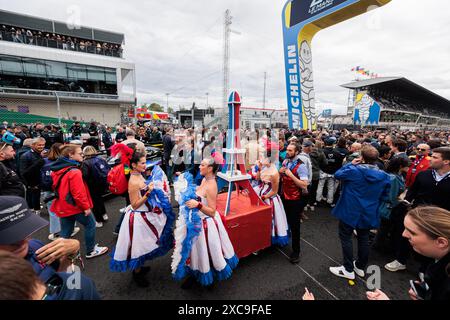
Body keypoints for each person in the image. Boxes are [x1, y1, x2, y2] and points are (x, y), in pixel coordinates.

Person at [0, 196, 101, 300]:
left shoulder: (35, 247)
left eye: (25, 229)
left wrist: (71, 254)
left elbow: (62, 274)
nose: (22, 242)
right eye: (9, 236)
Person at [110, 152, 173, 287]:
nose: (146, 165)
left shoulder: (138, 175)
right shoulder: (133, 181)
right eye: (143, 163)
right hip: (138, 218)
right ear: (134, 165)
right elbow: (134, 204)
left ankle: (139, 268)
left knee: (144, 244)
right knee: (137, 247)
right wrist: (149, 192)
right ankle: (137, 273)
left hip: (145, 215)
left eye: (145, 162)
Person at [329, 146, 391, 280]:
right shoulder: (385, 176)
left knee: (346, 237)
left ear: (362, 157)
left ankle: (348, 268)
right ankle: (360, 266)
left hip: (349, 210)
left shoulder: (353, 170)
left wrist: (350, 164)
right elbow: (385, 196)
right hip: (369, 211)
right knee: (363, 239)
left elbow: (337, 175)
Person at [368, 207, 450, 301]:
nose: (404, 234)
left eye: (412, 232)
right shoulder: (439, 260)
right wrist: (428, 292)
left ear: (441, 243)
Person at [180, 158, 238, 288]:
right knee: (196, 251)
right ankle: (196, 273)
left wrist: (198, 204)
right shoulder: (205, 179)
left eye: (202, 165)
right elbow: (198, 193)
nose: (199, 166)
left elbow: (212, 212)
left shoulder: (212, 185)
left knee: (205, 251)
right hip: (196, 221)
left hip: (206, 224)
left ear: (210, 168)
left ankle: (207, 276)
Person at [50, 144, 108, 259]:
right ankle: (91, 251)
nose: (83, 155)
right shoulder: (74, 171)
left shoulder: (57, 169)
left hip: (63, 204)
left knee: (66, 231)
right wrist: (86, 207)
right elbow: (78, 193)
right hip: (75, 206)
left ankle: (59, 254)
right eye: (80, 153)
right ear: (71, 155)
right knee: (90, 224)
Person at [41, 143, 80, 241]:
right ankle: (70, 228)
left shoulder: (44, 161)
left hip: (49, 190)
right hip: (63, 190)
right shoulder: (64, 163)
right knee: (69, 209)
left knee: (53, 212)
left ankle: (56, 233)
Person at [280, 143, 309, 264]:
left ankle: (296, 252)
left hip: (295, 200)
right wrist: (280, 172)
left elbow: (304, 185)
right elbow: (282, 177)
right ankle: (284, 239)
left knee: (295, 226)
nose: (288, 152)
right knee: (284, 220)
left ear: (297, 152)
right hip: (284, 196)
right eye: (287, 150)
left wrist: (291, 175)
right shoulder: (286, 161)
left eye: (290, 150)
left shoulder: (301, 166)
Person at [254, 155, 289, 247]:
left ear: (269, 160)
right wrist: (259, 168)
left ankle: (271, 237)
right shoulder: (265, 168)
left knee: (271, 217)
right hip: (262, 191)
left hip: (270, 197)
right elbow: (257, 178)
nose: (261, 159)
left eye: (263, 158)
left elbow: (275, 191)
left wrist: (265, 197)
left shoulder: (274, 173)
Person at [81, 146, 111, 227]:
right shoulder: (101, 159)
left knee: (94, 203)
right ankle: (104, 214)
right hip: (103, 183)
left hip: (92, 185)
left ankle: (98, 220)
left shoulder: (85, 163)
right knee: (100, 199)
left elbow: (85, 175)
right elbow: (109, 169)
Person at [19, 137, 46, 214]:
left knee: (36, 197)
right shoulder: (25, 156)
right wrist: (29, 184)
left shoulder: (42, 154)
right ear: (33, 145)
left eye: (43, 145)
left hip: (41, 181)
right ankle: (33, 211)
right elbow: (23, 172)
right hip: (32, 183)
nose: (42, 147)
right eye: (39, 145)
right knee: (32, 197)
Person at [316, 138, 344, 207]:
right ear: (333, 144)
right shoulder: (337, 153)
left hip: (323, 171)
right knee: (331, 187)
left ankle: (318, 200)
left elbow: (318, 162)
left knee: (320, 186)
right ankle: (329, 201)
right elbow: (339, 164)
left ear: (325, 144)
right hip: (332, 172)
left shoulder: (321, 151)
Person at [307, 139, 327, 212]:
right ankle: (312, 204)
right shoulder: (321, 153)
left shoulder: (307, 153)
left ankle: (306, 204)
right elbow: (325, 163)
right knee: (314, 189)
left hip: (308, 173)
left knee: (307, 189)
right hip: (316, 173)